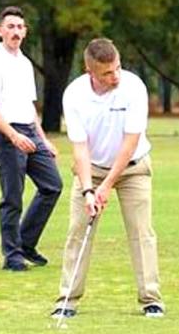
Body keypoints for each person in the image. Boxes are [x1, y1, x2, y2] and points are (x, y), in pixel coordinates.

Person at [51, 38, 165, 318]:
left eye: (117, 68)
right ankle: (67, 300)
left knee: (142, 232)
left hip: (132, 167)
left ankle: (151, 299)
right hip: (91, 169)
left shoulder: (133, 87)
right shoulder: (74, 94)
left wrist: (107, 185)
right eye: (107, 73)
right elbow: (79, 147)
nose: (115, 76)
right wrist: (89, 191)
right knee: (78, 231)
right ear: (90, 71)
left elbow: (130, 142)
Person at [0, 6, 63, 271]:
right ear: (0, 31)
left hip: (28, 130)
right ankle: (12, 256)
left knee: (52, 185)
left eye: (20, 27)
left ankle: (26, 242)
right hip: (4, 134)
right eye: (11, 27)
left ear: (25, 32)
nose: (16, 32)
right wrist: (13, 136)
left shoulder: (25, 63)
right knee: (13, 196)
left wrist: (42, 139)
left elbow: (29, 106)